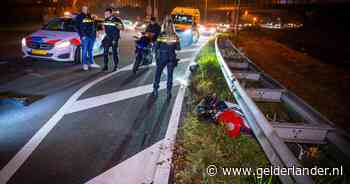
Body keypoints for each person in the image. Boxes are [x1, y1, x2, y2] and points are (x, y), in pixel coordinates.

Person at [153, 15, 180, 99]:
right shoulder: (175, 36)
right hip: (171, 57)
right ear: (172, 26)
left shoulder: (161, 35)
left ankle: (155, 89)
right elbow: (178, 48)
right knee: (170, 76)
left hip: (162, 57)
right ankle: (168, 92)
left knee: (158, 73)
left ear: (164, 25)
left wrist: (156, 52)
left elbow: (156, 47)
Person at [75, 5, 100, 71]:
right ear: (82, 9)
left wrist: (96, 32)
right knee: (84, 50)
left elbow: (94, 24)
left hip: (92, 36)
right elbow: (77, 27)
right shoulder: (79, 17)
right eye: (84, 9)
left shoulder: (90, 15)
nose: (85, 10)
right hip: (85, 36)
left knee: (90, 50)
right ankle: (84, 64)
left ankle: (91, 63)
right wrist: (82, 35)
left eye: (86, 9)